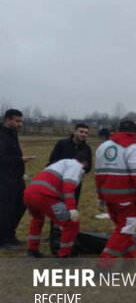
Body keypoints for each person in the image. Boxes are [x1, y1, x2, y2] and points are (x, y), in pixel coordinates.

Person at [95, 120, 136, 269]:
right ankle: (103, 265)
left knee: (125, 229)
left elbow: (99, 174)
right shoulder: (132, 148)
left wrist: (100, 198)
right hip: (126, 199)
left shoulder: (103, 147)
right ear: (134, 133)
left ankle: (129, 262)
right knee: (124, 231)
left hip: (109, 198)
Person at [23, 152, 90, 258]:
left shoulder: (60, 164)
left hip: (29, 193)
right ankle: (64, 256)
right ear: (85, 163)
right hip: (44, 196)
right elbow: (68, 186)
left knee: (37, 219)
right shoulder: (76, 166)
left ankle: (32, 250)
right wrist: (71, 208)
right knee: (71, 223)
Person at [46, 123, 93, 256]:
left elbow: (89, 167)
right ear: (74, 131)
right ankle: (54, 235)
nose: (84, 134)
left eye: (86, 132)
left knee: (71, 208)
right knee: (56, 209)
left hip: (74, 184)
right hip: (58, 183)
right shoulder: (62, 144)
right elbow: (52, 160)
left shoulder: (87, 149)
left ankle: (67, 235)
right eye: (81, 131)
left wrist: (79, 168)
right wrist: (69, 163)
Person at [0, 109, 35, 251]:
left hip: (16, 179)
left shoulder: (12, 134)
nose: (21, 124)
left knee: (20, 206)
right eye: (17, 121)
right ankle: (3, 241)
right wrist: (19, 159)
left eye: (21, 121)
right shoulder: (2, 136)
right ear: (7, 120)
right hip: (4, 180)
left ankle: (10, 236)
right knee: (5, 210)